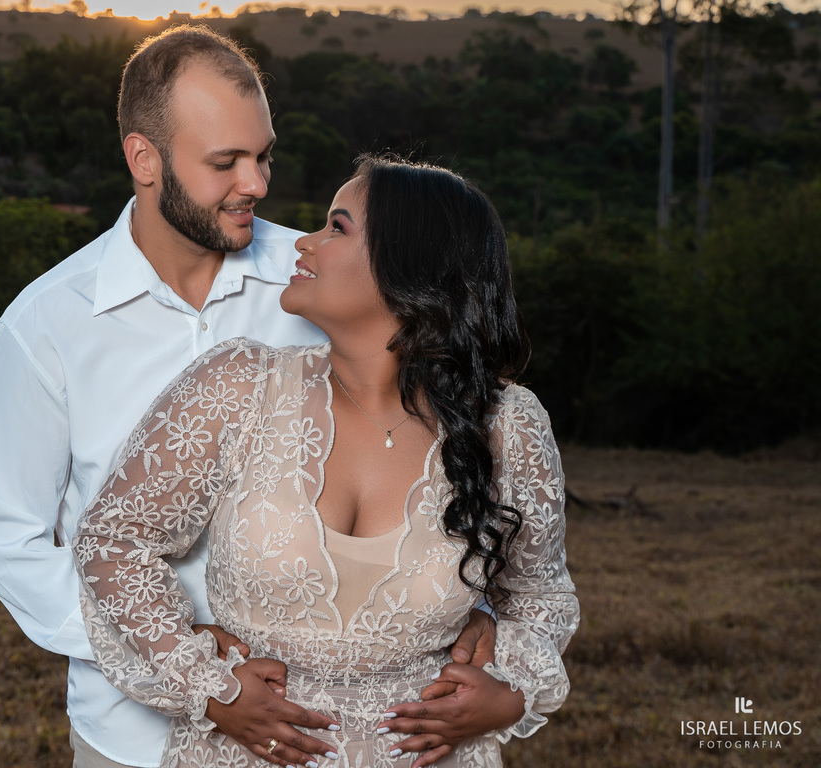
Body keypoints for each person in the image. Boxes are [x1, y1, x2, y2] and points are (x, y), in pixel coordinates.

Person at [0, 26, 500, 768]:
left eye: (264, 155)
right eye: (226, 163)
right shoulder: (45, 326)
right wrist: (184, 666)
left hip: (333, 735)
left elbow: (438, 448)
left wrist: (466, 605)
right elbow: (10, 539)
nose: (256, 183)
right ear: (144, 159)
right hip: (127, 738)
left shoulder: (326, 283)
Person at [73, 156, 579, 768]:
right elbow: (113, 538)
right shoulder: (240, 387)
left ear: (407, 268)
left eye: (337, 227)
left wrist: (511, 694)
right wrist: (208, 686)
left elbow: (538, 596)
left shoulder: (507, 426)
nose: (305, 242)